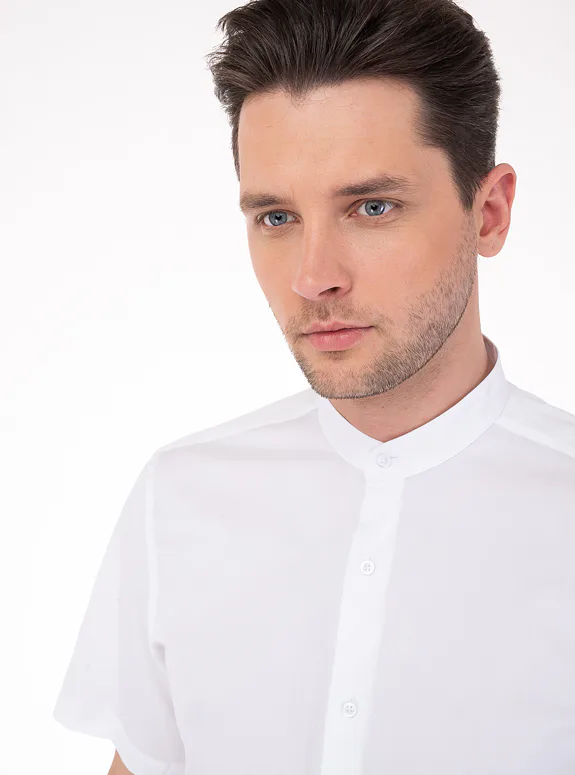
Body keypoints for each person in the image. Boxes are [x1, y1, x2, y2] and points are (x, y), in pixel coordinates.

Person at [53, 1, 575, 773]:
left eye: (372, 207)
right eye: (276, 216)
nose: (313, 276)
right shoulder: (181, 496)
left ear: (488, 213)